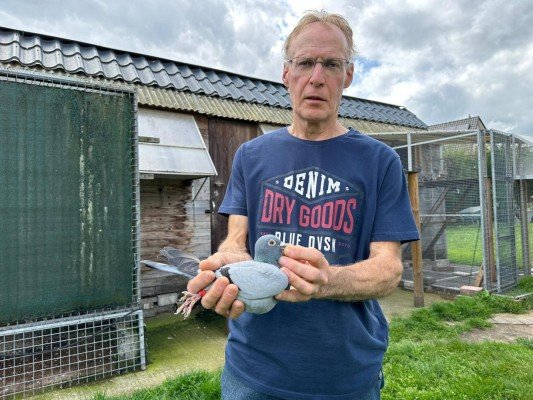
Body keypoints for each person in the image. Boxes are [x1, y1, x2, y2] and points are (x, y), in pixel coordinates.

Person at [188, 10, 419, 400]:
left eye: (331, 64)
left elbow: (388, 269)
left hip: (344, 374)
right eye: (305, 63)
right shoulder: (251, 156)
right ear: (286, 73)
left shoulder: (381, 162)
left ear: (348, 75)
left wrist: (328, 282)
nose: (316, 77)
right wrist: (225, 269)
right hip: (252, 371)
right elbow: (235, 242)